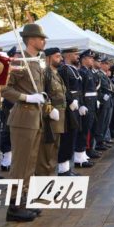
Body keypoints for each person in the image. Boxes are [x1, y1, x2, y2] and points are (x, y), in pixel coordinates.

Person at [1, 22, 48, 222]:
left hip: (35, 118)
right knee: (20, 164)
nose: (44, 41)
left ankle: (24, 200)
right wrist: (26, 97)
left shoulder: (36, 61)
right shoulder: (20, 61)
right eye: (41, 38)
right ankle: (14, 205)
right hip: (22, 118)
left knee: (30, 163)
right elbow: (4, 89)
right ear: (30, 40)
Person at [36, 47, 66, 176]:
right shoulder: (45, 74)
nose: (61, 59)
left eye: (60, 56)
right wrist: (50, 109)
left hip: (59, 118)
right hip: (49, 118)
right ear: (48, 58)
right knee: (46, 152)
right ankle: (44, 179)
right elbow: (41, 95)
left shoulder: (55, 73)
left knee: (54, 150)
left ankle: (51, 177)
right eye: (57, 56)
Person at [57, 47, 82, 176]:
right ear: (67, 55)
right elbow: (63, 88)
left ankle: (67, 168)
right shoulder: (64, 70)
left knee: (73, 135)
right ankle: (63, 169)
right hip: (68, 107)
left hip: (75, 105)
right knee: (67, 137)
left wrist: (79, 102)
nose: (78, 56)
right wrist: (70, 101)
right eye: (75, 54)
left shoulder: (73, 70)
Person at [75, 50, 98, 168]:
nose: (92, 60)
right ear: (83, 59)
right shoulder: (81, 72)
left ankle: (83, 155)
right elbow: (80, 91)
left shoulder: (88, 71)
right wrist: (81, 104)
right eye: (90, 58)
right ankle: (79, 158)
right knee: (83, 132)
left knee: (88, 130)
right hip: (86, 105)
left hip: (91, 104)